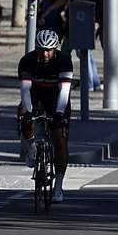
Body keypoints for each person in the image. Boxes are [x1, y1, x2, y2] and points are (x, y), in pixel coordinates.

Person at [17, 28, 73, 201]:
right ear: (36, 48)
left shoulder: (64, 61)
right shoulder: (27, 61)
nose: (45, 53)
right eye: (42, 49)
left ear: (55, 48)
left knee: (60, 139)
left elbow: (64, 91)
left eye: (49, 49)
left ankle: (58, 187)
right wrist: (27, 113)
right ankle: (31, 148)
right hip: (35, 93)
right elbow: (25, 90)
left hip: (56, 97)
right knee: (24, 115)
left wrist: (59, 113)